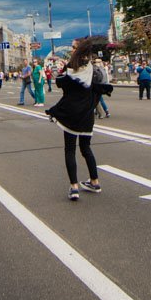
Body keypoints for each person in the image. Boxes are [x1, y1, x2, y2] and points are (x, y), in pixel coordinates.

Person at [45, 37, 112, 201]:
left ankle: (74, 187)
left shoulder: (71, 68)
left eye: (73, 47)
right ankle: (94, 181)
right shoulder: (94, 70)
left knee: (70, 149)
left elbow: (60, 84)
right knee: (86, 148)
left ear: (79, 49)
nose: (72, 49)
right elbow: (98, 90)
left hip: (71, 115)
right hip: (87, 115)